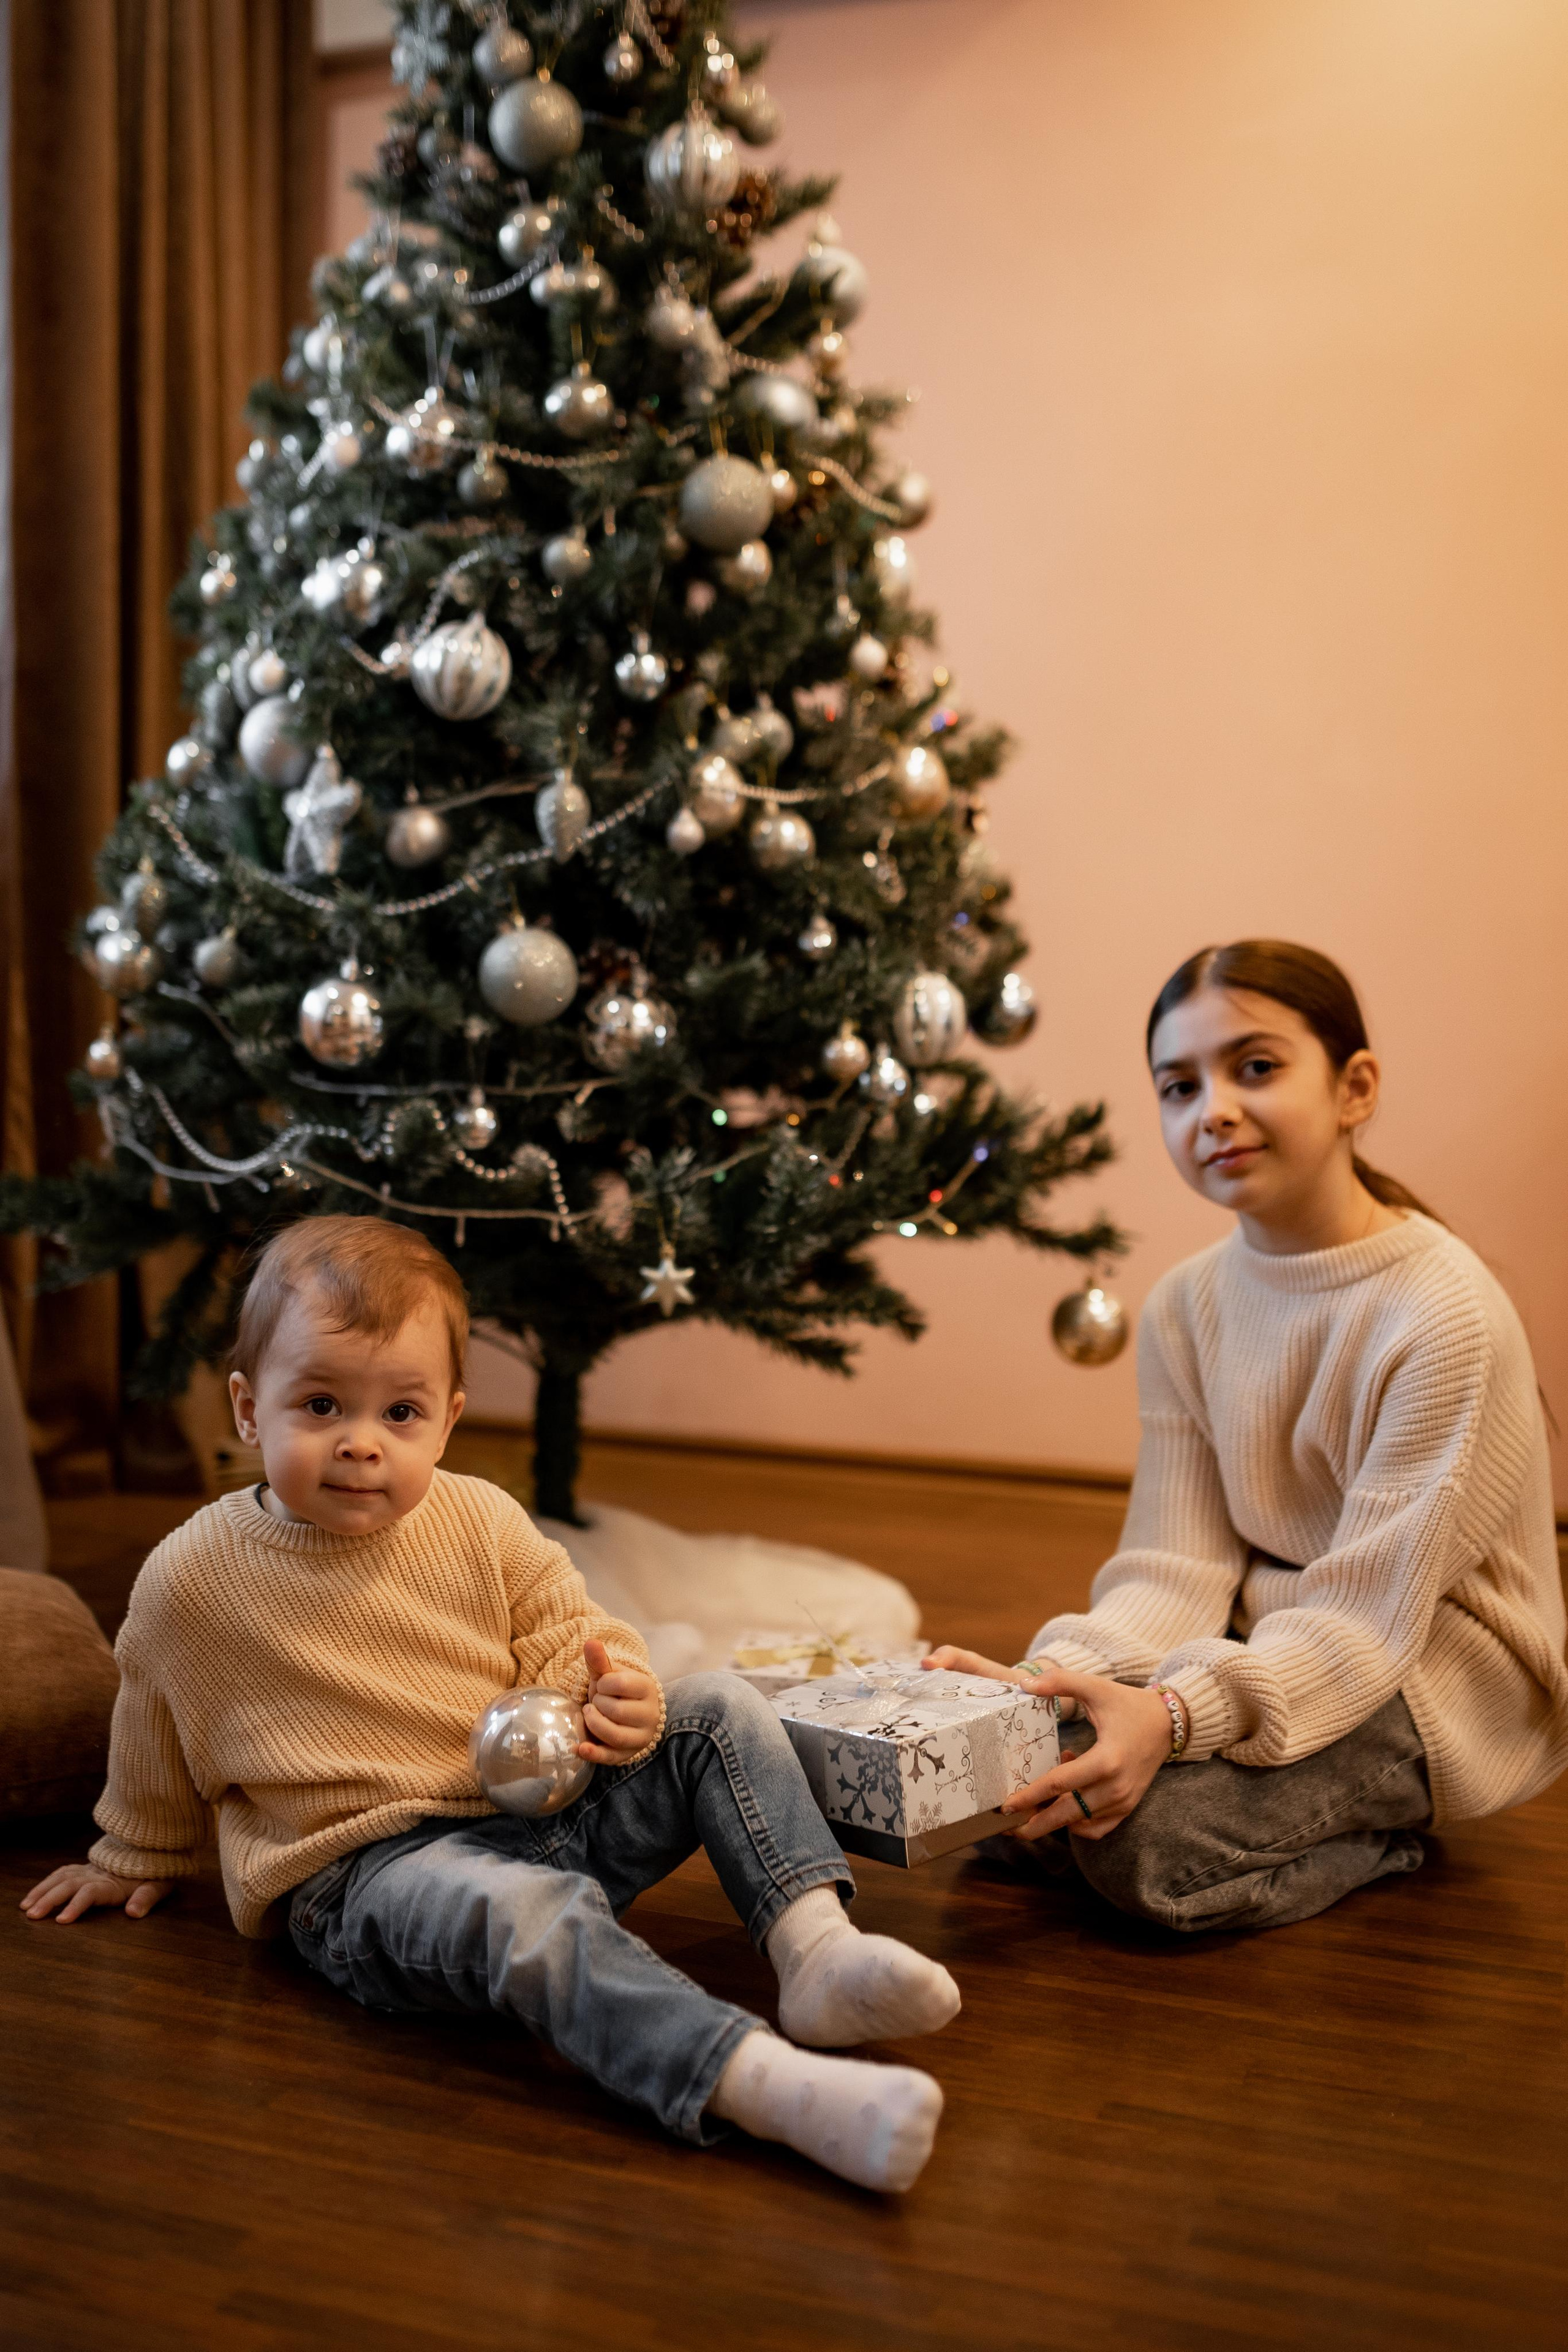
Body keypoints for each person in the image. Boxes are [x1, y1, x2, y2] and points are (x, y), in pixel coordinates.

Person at [21, 1216, 960, 2192]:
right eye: (321, 1405)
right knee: (528, 1914)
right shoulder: (194, 1579)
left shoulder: (478, 1520)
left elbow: (576, 1634)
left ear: (450, 1418)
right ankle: (762, 2084)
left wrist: (620, 1695)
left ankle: (816, 1953)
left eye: (401, 1415)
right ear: (250, 1410)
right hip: (370, 1879)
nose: (360, 1446)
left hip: (540, 1808)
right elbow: (152, 1711)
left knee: (718, 1704)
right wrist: (131, 1853)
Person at [929, 940, 1568, 1933]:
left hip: (1431, 1666)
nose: (1212, 1109)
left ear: (1356, 1089)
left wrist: (1175, 1718)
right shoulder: (1188, 1303)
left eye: (1255, 1068)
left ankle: (1377, 1842)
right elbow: (1175, 1564)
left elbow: (1366, 1623)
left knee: (1142, 1849)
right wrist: (1049, 1682)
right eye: (1179, 1087)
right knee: (998, 1786)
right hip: (1273, 1630)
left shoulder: (1442, 1315)